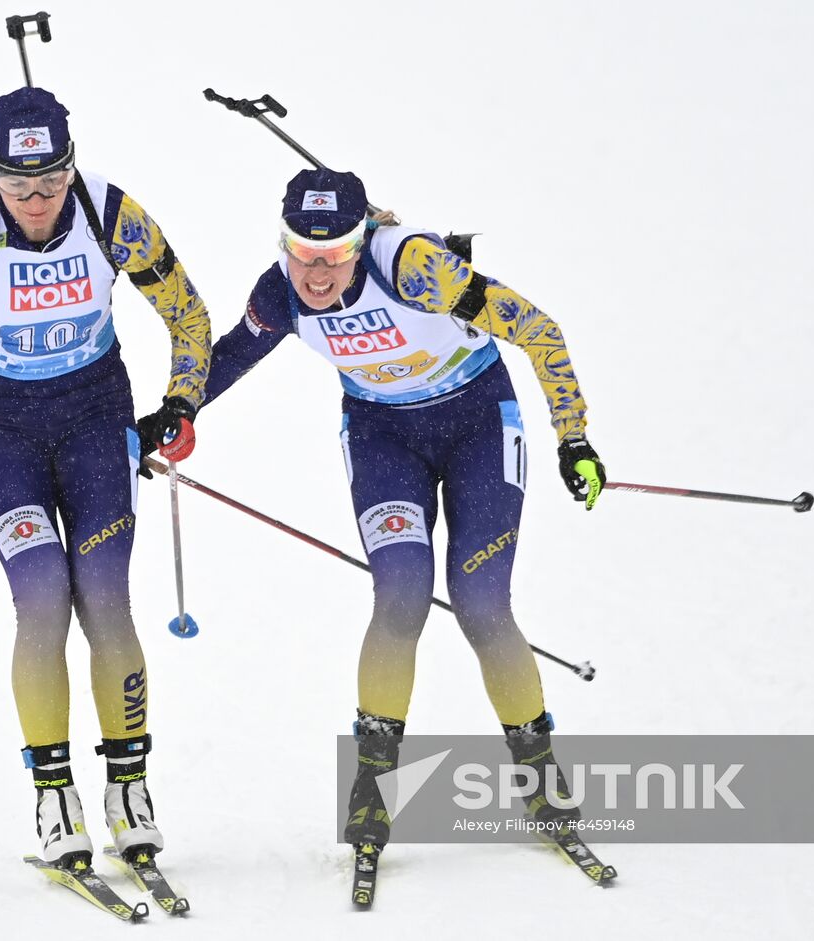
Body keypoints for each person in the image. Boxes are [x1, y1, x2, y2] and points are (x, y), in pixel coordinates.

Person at [194, 167, 604, 854]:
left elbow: (539, 329)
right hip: (384, 437)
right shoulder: (280, 292)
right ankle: (373, 785)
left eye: (334, 254)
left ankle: (539, 774)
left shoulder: (416, 269)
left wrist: (574, 437)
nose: (316, 273)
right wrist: (167, 414)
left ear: (361, 241)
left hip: (477, 424)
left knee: (481, 601)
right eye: (302, 252)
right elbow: (231, 356)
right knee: (402, 592)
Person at [0, 87, 210, 868]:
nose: (35, 201)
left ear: (71, 167)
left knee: (104, 593)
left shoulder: (111, 214)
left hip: (94, 419)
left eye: (52, 181)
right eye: (16, 184)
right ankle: (54, 793)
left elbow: (189, 316)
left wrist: (180, 403)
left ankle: (129, 786)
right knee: (42, 594)